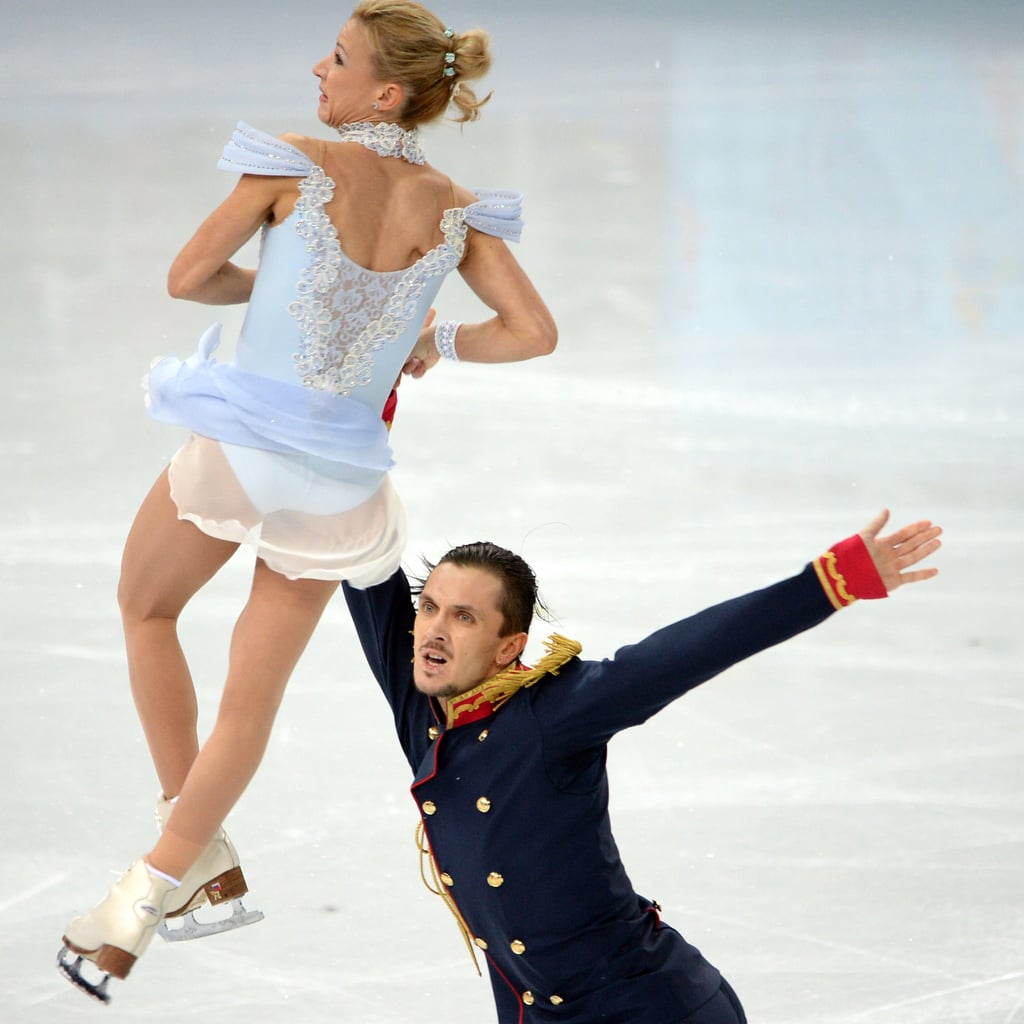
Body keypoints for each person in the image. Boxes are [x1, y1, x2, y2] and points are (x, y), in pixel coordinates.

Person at [58, 0, 556, 1004]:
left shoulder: (294, 162)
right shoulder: (455, 209)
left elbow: (189, 277)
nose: (314, 68)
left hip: (242, 446)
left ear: (386, 91)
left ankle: (192, 851)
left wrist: (281, 287)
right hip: (338, 484)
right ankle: (151, 893)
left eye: (336, 58)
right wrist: (432, 338)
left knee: (146, 608)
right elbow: (532, 331)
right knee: (252, 703)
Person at [341, 510, 942, 1023]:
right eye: (430, 607)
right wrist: (347, 429)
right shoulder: (424, 707)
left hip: (649, 1006)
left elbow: (678, 656)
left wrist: (829, 583)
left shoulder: (550, 716)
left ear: (509, 647)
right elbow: (358, 549)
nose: (434, 631)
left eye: (464, 617)